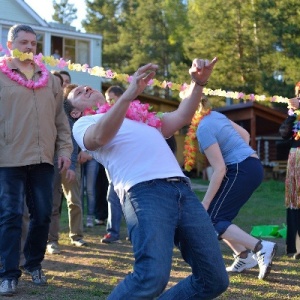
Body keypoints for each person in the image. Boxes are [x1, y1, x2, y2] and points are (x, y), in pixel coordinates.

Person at [69, 58, 229, 299]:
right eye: (79, 92)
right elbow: (99, 137)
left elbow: (182, 115)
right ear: (75, 111)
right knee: (151, 276)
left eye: (87, 86)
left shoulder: (139, 117)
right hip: (144, 192)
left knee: (214, 279)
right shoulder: (84, 123)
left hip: (182, 191)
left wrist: (198, 82)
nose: (87, 88)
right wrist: (129, 94)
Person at [0, 24, 72, 296]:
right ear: (10, 45)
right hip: (8, 158)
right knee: (11, 215)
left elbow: (60, 122)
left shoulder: (50, 80)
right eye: (24, 42)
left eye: (33, 43)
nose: (30, 47)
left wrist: (65, 151)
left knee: (43, 214)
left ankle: (33, 263)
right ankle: (8, 273)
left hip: (43, 159)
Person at [195, 97, 277, 280]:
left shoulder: (203, 128)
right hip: (252, 165)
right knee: (220, 217)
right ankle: (244, 257)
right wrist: (238, 153)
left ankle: (261, 247)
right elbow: (245, 136)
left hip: (241, 169)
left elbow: (219, 168)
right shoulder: (216, 115)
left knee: (213, 218)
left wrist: (205, 202)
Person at [47, 79, 87, 254]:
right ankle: (52, 241)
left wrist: (71, 165)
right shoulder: (58, 109)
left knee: (75, 201)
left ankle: (76, 236)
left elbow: (74, 140)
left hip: (71, 163)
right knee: (53, 203)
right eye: (77, 94)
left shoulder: (79, 115)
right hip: (54, 162)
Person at [279, 85, 300, 260]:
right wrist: (291, 116)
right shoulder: (295, 114)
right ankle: (295, 247)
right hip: (296, 158)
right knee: (294, 201)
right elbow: (284, 134)